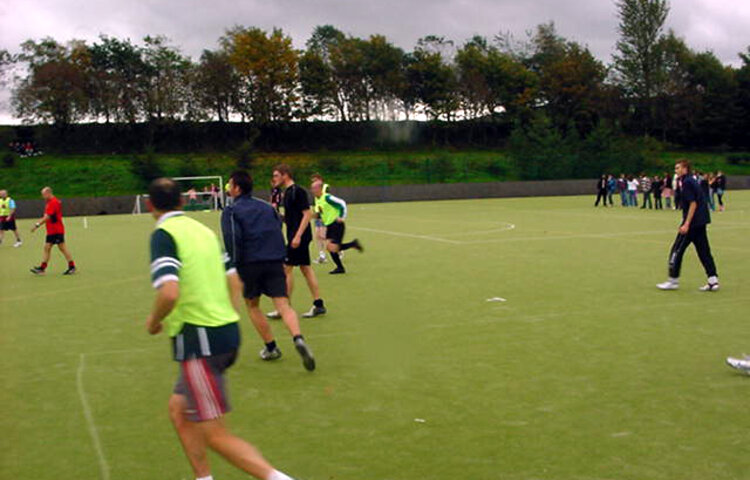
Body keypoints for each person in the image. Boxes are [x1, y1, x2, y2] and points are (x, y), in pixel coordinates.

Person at [143, 178, 301, 480]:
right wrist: (226, 315)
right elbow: (234, 282)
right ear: (182, 202)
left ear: (150, 205)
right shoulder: (203, 231)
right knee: (179, 409)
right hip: (225, 333)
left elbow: (169, 292)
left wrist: (153, 323)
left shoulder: (164, 235)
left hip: (199, 341)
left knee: (215, 435)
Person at [221, 170, 315, 370]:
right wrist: (281, 256)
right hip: (274, 260)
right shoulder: (267, 207)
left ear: (237, 188)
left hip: (249, 263)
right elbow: (276, 231)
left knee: (253, 305)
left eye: (230, 184)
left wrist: (235, 265)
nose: (228, 188)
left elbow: (232, 240)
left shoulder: (231, 211)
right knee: (283, 304)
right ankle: (298, 338)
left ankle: (271, 347)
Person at [267, 164, 326, 319]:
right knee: (305, 269)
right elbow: (294, 217)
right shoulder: (287, 193)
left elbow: (307, 214)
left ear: (285, 175)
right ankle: (318, 304)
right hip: (295, 236)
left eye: (276, 175)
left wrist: (298, 236)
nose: (274, 179)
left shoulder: (297, 191)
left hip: (298, 237)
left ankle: (283, 307)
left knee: (286, 268)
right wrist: (280, 217)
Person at [657, 159, 719, 292]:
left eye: (678, 168)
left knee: (676, 250)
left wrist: (686, 224)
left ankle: (673, 280)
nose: (676, 170)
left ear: (685, 169)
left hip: (693, 223)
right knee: (704, 251)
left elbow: (693, 204)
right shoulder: (690, 180)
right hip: (701, 221)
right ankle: (713, 280)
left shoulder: (687, 182)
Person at [311, 179, 363, 274]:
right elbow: (320, 213)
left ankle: (353, 244)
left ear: (320, 189)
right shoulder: (317, 200)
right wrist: (310, 216)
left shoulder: (327, 197)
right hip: (329, 226)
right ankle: (340, 268)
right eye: (311, 188)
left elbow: (342, 203)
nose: (312, 190)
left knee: (333, 247)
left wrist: (342, 216)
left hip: (337, 224)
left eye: (314, 188)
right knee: (330, 248)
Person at [30, 187, 76, 275]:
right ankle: (42, 268)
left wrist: (37, 225)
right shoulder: (49, 202)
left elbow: (47, 217)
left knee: (62, 248)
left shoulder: (53, 202)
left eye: (43, 194)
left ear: (48, 193)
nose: (42, 197)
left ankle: (72, 267)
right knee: (47, 247)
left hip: (57, 230)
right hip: (51, 231)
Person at [311, 173, 330, 263]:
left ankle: (338, 250)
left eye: (315, 180)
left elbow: (327, 200)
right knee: (317, 235)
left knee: (324, 235)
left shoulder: (326, 188)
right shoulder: (315, 189)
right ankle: (322, 255)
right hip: (318, 213)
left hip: (324, 214)